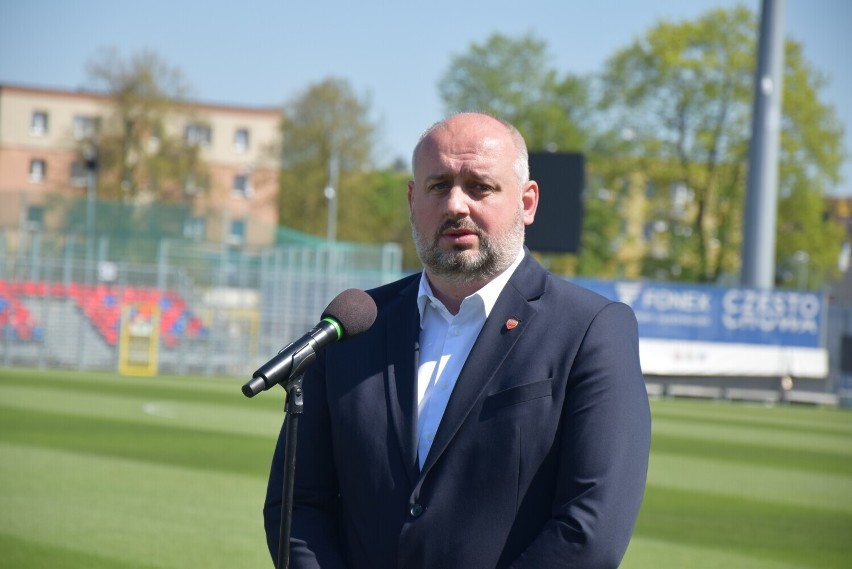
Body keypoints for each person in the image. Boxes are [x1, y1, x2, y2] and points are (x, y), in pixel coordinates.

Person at [264, 112, 651, 568]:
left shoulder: (591, 330)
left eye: (479, 187)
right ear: (412, 199)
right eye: (438, 185)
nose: (455, 205)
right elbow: (297, 506)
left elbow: (589, 532)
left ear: (527, 202)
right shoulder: (353, 326)